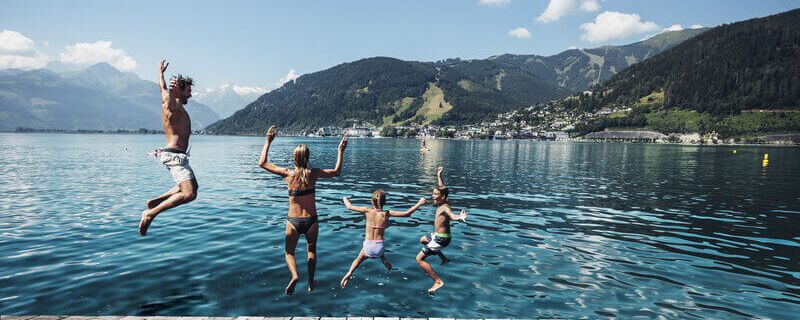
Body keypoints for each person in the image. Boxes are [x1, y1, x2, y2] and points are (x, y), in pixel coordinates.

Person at [258, 126, 347, 295]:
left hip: (293, 221)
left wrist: (268, 141)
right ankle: (311, 282)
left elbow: (262, 163)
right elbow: (336, 172)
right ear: (307, 158)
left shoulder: (287, 174)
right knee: (311, 251)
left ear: (294, 157)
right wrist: (340, 151)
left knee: (289, 252)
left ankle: (294, 276)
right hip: (311, 221)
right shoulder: (313, 174)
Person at [139, 60, 198, 236]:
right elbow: (168, 96)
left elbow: (162, 87)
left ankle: (154, 202)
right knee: (189, 194)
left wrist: (160, 73)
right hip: (174, 156)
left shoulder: (170, 99)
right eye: (188, 91)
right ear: (179, 90)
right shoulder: (173, 104)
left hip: (177, 155)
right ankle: (150, 214)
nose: (191, 95)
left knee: (193, 186)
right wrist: (173, 91)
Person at [340, 191, 427, 288]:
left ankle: (349, 273)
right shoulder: (386, 214)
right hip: (379, 248)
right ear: (385, 202)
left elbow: (349, 206)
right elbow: (407, 214)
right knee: (378, 244)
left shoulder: (367, 210)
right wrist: (419, 203)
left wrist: (344, 198)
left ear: (372, 202)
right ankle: (383, 259)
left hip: (368, 246)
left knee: (359, 259)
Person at [416, 166, 467, 294]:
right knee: (423, 239)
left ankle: (438, 281)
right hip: (438, 235)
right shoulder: (442, 201)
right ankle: (444, 259)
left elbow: (452, 215)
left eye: (435, 194)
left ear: (443, 197)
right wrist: (439, 176)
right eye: (433, 194)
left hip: (441, 239)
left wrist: (459, 217)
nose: (433, 196)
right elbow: (443, 189)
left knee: (419, 259)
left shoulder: (445, 207)